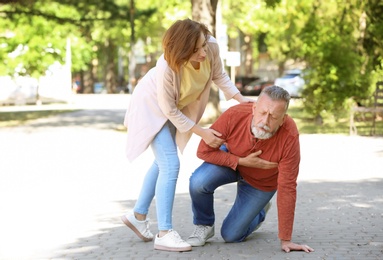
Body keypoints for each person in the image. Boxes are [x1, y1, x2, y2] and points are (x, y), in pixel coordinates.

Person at [121, 18, 252, 252]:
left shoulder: (210, 46)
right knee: (170, 165)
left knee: (162, 163)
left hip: (173, 108)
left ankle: (138, 215)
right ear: (181, 51)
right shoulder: (166, 67)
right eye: (196, 50)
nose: (203, 52)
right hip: (151, 106)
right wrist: (202, 132)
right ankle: (164, 233)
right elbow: (168, 109)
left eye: (203, 45)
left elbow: (219, 75)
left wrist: (242, 101)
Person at [187, 86, 314, 253]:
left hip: (261, 183)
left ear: (283, 119)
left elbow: (287, 187)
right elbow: (203, 151)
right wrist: (240, 161)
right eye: (262, 113)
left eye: (274, 117)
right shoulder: (235, 114)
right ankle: (204, 225)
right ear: (254, 108)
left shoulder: (289, 136)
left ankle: (259, 212)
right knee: (198, 182)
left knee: (231, 235)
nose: (265, 122)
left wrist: (286, 240)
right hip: (232, 163)